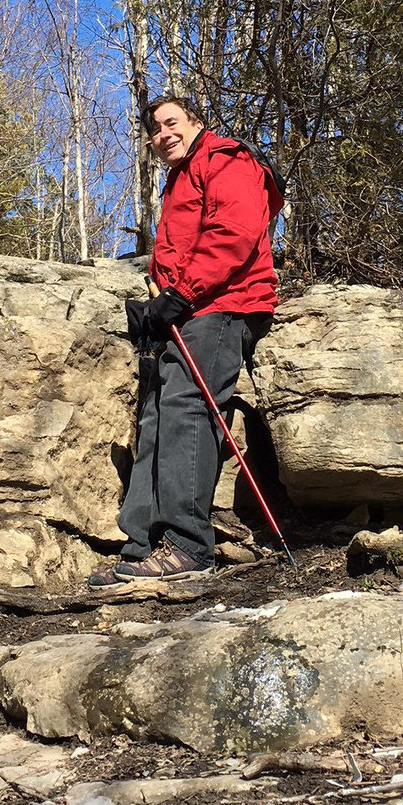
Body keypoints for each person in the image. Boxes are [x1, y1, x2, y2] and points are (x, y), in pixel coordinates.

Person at [91, 96, 281, 588]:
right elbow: (178, 251)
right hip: (190, 308)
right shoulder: (180, 179)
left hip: (222, 306)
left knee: (185, 407)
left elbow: (234, 233)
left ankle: (190, 545)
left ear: (196, 123)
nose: (162, 134)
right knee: (155, 414)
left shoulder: (225, 159)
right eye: (154, 130)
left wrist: (180, 294)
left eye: (171, 122)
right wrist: (156, 306)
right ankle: (142, 544)